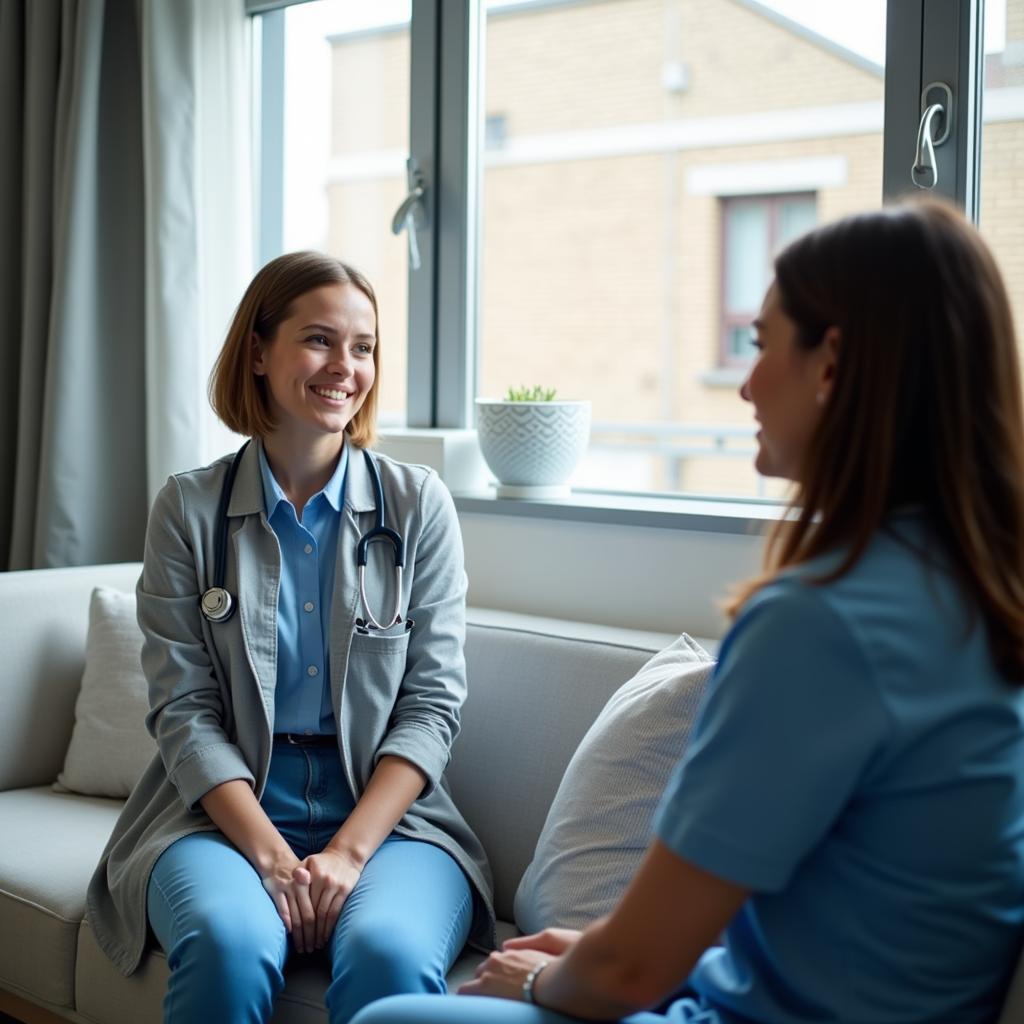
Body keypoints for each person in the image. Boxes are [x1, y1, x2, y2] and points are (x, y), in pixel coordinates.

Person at [350, 199, 1024, 1024]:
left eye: (761, 342)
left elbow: (630, 974)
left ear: (832, 365)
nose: (744, 382)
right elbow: (862, 918)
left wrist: (542, 980)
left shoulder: (817, 626)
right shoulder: (982, 595)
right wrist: (610, 952)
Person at [86, 252, 495, 1024]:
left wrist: (346, 854)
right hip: (222, 811)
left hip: (389, 818)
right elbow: (185, 712)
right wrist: (272, 857)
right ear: (258, 351)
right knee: (230, 944)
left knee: (389, 956)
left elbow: (432, 706)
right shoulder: (188, 510)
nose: (346, 367)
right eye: (319, 340)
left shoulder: (417, 506)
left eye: (364, 347)